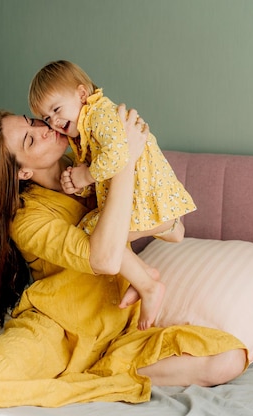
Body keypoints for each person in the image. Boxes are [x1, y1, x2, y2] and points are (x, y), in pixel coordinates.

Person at [0, 105, 247, 407]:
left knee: (228, 359)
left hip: (119, 336)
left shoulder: (90, 164)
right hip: (56, 333)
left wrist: (119, 159)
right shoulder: (27, 218)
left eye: (32, 122)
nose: (45, 129)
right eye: (30, 140)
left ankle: (93, 375)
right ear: (23, 171)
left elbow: (172, 227)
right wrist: (123, 162)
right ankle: (96, 379)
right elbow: (104, 259)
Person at [28, 60, 196, 329]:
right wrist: (80, 182)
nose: (54, 122)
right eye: (47, 118)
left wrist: (85, 175)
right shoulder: (83, 126)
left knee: (94, 234)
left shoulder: (101, 115)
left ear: (82, 95)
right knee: (95, 231)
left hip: (143, 189)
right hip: (133, 190)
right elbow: (105, 169)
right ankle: (145, 275)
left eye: (57, 110)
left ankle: (148, 284)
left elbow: (119, 156)